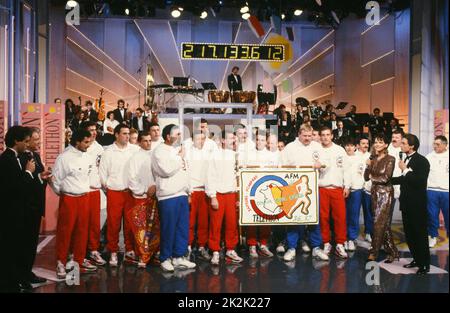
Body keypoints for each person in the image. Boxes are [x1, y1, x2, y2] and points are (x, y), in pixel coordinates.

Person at [50, 129, 98, 279]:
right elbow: (55, 181)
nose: (88, 145)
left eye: (89, 142)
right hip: (69, 199)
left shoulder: (88, 156)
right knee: (65, 232)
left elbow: (90, 177)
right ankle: (61, 262)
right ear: (77, 141)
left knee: (82, 231)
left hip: (85, 198)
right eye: (85, 142)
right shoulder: (64, 158)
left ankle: (78, 261)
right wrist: (64, 194)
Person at [280, 124, 329, 262]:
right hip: (294, 188)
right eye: (305, 136)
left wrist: (322, 164)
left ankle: (316, 247)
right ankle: (291, 247)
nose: (308, 138)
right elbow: (281, 165)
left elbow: (326, 162)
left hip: (312, 187)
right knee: (295, 218)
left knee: (314, 218)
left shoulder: (317, 146)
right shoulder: (290, 147)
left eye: (310, 136)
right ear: (299, 134)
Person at [151, 124, 196, 272]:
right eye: (177, 134)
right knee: (168, 228)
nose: (179, 137)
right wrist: (180, 157)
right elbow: (167, 170)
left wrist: (189, 191)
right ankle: (165, 258)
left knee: (182, 228)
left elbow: (185, 171)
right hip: (168, 196)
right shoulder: (159, 151)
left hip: (181, 194)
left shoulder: (177, 151)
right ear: (168, 137)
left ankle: (178, 257)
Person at [0, 126, 37, 292]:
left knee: (16, 249)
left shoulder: (15, 157)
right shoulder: (7, 160)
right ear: (17, 141)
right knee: (10, 250)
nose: (27, 145)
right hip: (10, 214)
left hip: (18, 213)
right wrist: (28, 173)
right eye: (26, 141)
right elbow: (15, 189)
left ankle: (15, 281)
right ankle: (10, 284)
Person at [391, 134, 431, 275]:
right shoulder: (406, 159)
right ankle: (416, 259)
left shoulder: (422, 161)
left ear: (411, 146)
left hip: (417, 205)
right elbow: (404, 179)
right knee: (409, 234)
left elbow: (419, 181)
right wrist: (387, 180)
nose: (401, 145)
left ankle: (424, 264)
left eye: (403, 143)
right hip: (406, 203)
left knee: (419, 234)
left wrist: (405, 168)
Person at [99, 124, 137, 267]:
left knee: (129, 223)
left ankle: (129, 249)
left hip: (130, 192)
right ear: (116, 134)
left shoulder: (134, 150)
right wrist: (108, 185)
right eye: (124, 133)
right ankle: (113, 251)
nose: (127, 136)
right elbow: (102, 173)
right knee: (114, 224)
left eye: (128, 133)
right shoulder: (108, 152)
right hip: (114, 192)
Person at [206, 129, 244, 265]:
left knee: (231, 224)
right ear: (222, 140)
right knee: (215, 224)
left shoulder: (236, 155)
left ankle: (230, 250)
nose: (232, 141)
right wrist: (212, 196)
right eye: (229, 138)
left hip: (231, 194)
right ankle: (215, 251)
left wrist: (238, 197)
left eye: (233, 138)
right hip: (218, 194)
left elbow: (239, 176)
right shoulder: (214, 155)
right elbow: (210, 176)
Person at [18, 128, 50, 286]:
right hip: (26, 208)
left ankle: (27, 272)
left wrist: (42, 177)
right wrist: (36, 176)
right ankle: (21, 275)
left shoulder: (35, 156)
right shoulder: (20, 158)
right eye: (36, 139)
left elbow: (36, 180)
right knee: (24, 243)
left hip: (36, 206)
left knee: (31, 244)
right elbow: (23, 184)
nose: (39, 142)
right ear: (27, 140)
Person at [364, 134, 399, 263]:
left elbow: (385, 178)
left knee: (378, 223)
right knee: (382, 224)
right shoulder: (373, 158)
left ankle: (373, 252)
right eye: (376, 142)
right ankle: (392, 251)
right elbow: (366, 177)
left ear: (386, 145)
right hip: (374, 193)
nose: (377, 144)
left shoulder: (391, 159)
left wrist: (373, 178)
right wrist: (368, 165)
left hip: (385, 193)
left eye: (380, 142)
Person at [318, 126, 351, 259]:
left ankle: (340, 244)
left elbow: (346, 169)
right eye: (323, 135)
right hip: (322, 188)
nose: (325, 137)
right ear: (320, 136)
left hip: (337, 188)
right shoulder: (317, 150)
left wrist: (347, 186)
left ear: (332, 136)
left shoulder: (339, 150)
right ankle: (326, 243)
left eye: (328, 135)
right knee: (323, 218)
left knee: (340, 217)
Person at [244, 130, 278, 258]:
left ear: (266, 141)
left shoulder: (272, 156)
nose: (260, 142)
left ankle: (263, 244)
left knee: (266, 217)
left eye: (263, 140)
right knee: (252, 218)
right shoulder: (249, 155)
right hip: (252, 191)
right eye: (257, 139)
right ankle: (252, 245)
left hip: (266, 192)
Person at [126, 131, 157, 267]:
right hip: (140, 196)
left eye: (150, 140)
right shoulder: (135, 158)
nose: (148, 143)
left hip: (154, 196)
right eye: (145, 141)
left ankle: (151, 253)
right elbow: (132, 180)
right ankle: (141, 255)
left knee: (153, 227)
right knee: (140, 228)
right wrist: (145, 189)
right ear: (139, 142)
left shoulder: (154, 156)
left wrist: (155, 188)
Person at [79, 121, 107, 266]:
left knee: (96, 222)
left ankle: (93, 249)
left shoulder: (99, 148)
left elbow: (101, 168)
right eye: (91, 130)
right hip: (82, 191)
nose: (94, 132)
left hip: (96, 190)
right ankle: (79, 253)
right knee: (82, 224)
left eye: (95, 129)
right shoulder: (78, 147)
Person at [185, 132, 212, 261]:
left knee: (203, 221)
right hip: (192, 191)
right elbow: (186, 174)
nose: (200, 141)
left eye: (203, 138)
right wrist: (188, 192)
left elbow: (211, 175)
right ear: (192, 139)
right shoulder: (188, 154)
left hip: (204, 191)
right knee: (190, 221)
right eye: (197, 138)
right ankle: (188, 247)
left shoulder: (208, 154)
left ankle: (202, 246)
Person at [343, 137, 366, 252]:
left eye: (351, 145)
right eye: (347, 145)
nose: (349, 148)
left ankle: (351, 238)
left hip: (356, 190)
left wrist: (360, 186)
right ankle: (342, 238)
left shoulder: (360, 159)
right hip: (343, 190)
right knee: (343, 214)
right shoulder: (341, 158)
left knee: (354, 214)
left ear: (356, 147)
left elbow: (363, 175)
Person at [425, 135, 449, 247]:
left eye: (438, 144)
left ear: (445, 145)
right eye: (434, 144)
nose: (435, 146)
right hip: (432, 190)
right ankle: (433, 236)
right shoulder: (429, 156)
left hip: (447, 191)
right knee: (432, 215)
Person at [356, 136, 374, 243]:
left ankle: (368, 232)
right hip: (356, 187)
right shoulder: (353, 155)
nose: (365, 145)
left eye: (367, 143)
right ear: (358, 145)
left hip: (367, 188)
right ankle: (352, 235)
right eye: (363, 143)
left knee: (368, 211)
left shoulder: (371, 157)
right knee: (354, 212)